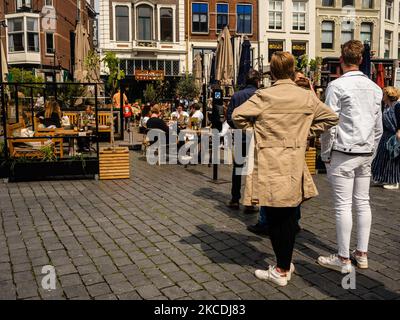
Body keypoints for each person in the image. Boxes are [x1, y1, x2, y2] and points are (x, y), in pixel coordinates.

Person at [233, 51, 338, 286]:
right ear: (292, 70)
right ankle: (284, 265)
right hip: (293, 160)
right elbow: (331, 118)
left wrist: (255, 131)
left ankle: (281, 269)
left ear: (272, 71)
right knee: (289, 216)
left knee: (273, 215)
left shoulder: (264, 95)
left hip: (270, 160)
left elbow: (237, 116)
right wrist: (305, 133)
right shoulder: (305, 97)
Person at [318, 40, 383, 273]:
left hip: (343, 152)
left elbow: (329, 124)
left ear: (341, 60)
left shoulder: (336, 87)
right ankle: (362, 254)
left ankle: (344, 259)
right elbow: (378, 128)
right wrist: (372, 151)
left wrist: (325, 154)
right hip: (365, 151)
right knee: (363, 203)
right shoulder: (376, 89)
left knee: (343, 206)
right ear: (362, 60)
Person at [226, 69, 261, 213]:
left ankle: (235, 199)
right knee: (253, 168)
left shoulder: (237, 95)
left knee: (238, 168)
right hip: (257, 136)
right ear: (257, 81)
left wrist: (239, 126)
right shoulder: (261, 95)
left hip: (240, 134)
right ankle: (250, 202)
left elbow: (229, 117)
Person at [372, 86, 400, 190]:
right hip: (385, 135)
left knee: (392, 158)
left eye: (384, 94)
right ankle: (381, 177)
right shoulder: (386, 107)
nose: (382, 96)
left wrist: (398, 131)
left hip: (394, 135)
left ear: (388, 95)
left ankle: (394, 181)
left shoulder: (397, 106)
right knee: (381, 157)